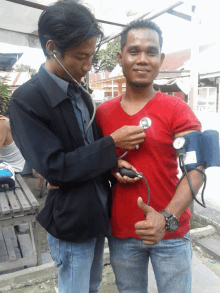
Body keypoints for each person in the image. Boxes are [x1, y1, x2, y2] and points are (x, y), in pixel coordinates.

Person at [9, 1, 145, 293]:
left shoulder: (79, 91)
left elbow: (89, 146)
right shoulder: (26, 101)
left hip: (97, 211)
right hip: (71, 222)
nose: (86, 67)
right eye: (80, 57)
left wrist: (113, 163)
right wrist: (112, 144)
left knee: (92, 285)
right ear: (51, 48)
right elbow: (54, 168)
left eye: (91, 56)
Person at [96, 19, 204, 293]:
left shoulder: (178, 109)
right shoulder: (102, 114)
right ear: (120, 57)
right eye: (134, 51)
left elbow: (196, 168)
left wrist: (167, 217)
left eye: (151, 52)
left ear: (161, 59)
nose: (142, 60)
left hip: (171, 231)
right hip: (122, 231)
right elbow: (92, 160)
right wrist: (110, 165)